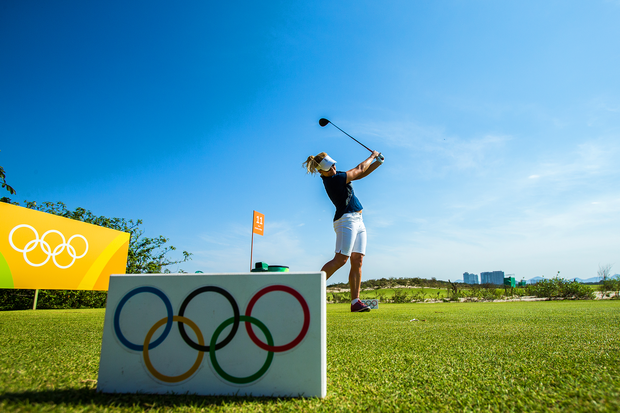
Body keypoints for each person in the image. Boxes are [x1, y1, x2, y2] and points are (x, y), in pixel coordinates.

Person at [303, 150, 383, 312]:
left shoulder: (337, 175)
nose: (333, 167)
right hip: (346, 220)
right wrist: (373, 156)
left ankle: (355, 302)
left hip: (359, 221)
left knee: (357, 260)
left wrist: (377, 163)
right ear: (320, 171)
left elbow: (359, 175)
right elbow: (359, 169)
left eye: (333, 164)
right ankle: (308, 291)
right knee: (341, 260)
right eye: (329, 166)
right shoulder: (334, 179)